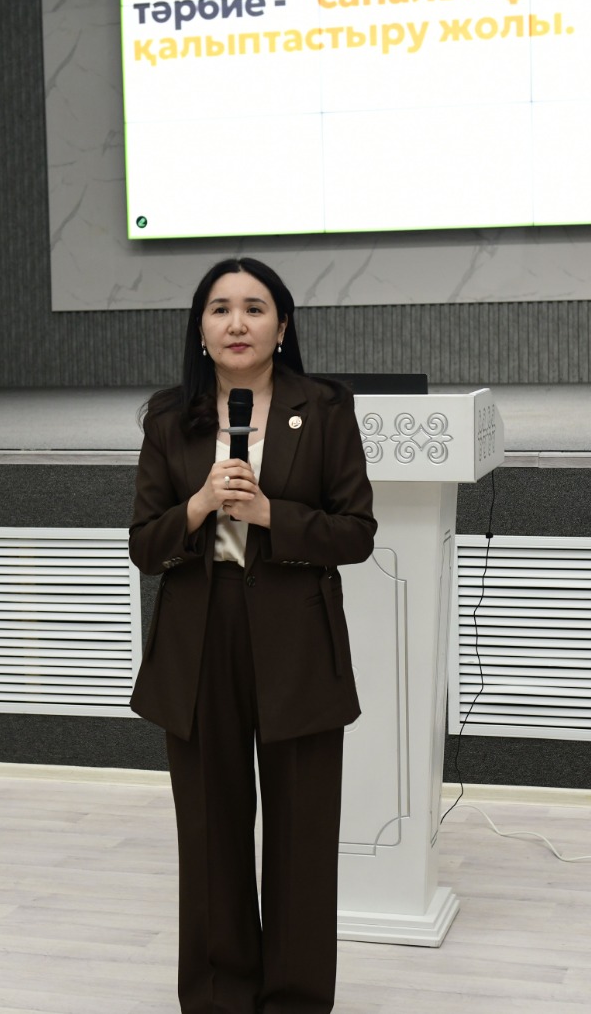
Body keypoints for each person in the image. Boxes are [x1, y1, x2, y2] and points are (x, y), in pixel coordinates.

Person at [130, 257, 376, 1014]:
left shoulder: (325, 408)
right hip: (200, 643)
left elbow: (356, 532)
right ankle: (218, 997)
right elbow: (145, 545)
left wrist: (272, 515)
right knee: (212, 834)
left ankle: (295, 1000)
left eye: (255, 307)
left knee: (302, 835)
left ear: (283, 325)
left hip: (295, 642)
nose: (237, 323)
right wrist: (199, 504)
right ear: (200, 329)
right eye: (220, 309)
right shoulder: (168, 418)